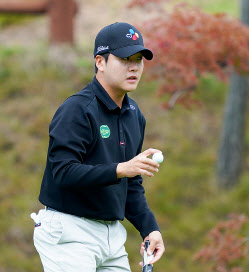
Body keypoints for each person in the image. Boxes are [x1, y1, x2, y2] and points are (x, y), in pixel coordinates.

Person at [32, 22, 165, 272]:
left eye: (139, 59)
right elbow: (63, 172)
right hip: (68, 232)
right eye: (125, 58)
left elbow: (131, 184)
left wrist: (150, 228)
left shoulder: (134, 115)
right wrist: (120, 169)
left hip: (112, 237)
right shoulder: (77, 110)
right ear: (100, 62)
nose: (134, 66)